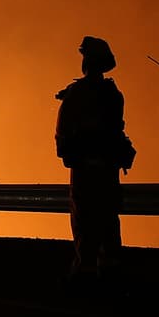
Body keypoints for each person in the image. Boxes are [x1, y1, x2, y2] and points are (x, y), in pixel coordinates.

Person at [55, 35, 135, 291]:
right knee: (109, 221)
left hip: (86, 170)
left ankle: (85, 278)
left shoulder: (77, 94)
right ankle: (110, 275)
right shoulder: (113, 94)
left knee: (85, 223)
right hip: (108, 171)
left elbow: (65, 135)